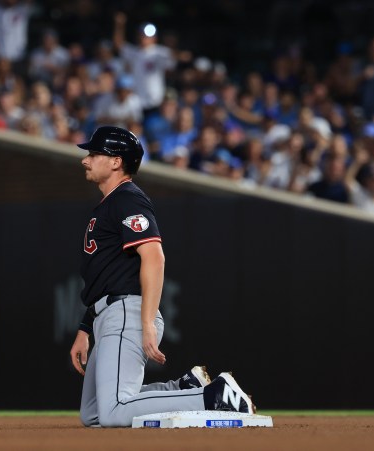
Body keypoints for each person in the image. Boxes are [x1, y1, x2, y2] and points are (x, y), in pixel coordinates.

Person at [70, 126, 256, 427]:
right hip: (107, 313)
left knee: (115, 409)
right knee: (93, 413)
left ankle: (212, 396)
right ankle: (183, 390)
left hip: (127, 311)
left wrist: (145, 322)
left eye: (94, 153)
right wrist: (84, 328)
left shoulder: (127, 198)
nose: (85, 160)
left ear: (116, 162)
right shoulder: (111, 203)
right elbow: (107, 275)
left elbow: (154, 258)